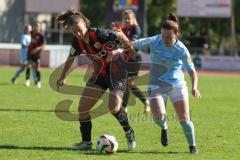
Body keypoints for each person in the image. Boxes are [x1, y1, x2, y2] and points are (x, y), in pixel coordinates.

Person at [56, 8, 136, 150]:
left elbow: (120, 35)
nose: (78, 34)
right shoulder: (77, 42)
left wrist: (123, 50)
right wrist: (62, 77)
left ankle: (129, 131)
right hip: (100, 74)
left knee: (114, 108)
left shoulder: (99, 34)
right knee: (83, 108)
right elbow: (71, 59)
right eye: (74, 32)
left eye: (79, 30)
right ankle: (86, 143)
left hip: (117, 73)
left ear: (85, 25)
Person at [132, 13, 201, 154]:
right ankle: (164, 128)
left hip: (176, 84)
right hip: (155, 83)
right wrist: (121, 46)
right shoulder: (155, 40)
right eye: (163, 36)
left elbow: (192, 71)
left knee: (184, 119)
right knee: (158, 116)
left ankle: (192, 146)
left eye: (168, 37)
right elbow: (135, 43)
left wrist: (194, 87)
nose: (164, 39)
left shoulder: (181, 49)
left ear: (176, 34)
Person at [120, 9, 150, 115]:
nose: (127, 20)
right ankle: (146, 102)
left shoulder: (136, 29)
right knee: (128, 84)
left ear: (133, 19)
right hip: (125, 59)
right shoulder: (123, 30)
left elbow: (132, 45)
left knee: (128, 83)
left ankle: (124, 107)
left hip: (134, 59)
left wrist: (121, 43)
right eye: (125, 18)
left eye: (129, 18)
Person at [25, 21, 46, 88]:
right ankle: (27, 80)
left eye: (37, 26)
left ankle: (38, 82)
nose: (36, 27)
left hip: (37, 54)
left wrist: (37, 49)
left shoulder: (41, 35)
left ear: (39, 27)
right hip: (30, 52)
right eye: (35, 26)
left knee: (37, 68)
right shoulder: (30, 33)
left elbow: (44, 45)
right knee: (28, 66)